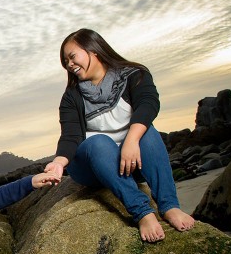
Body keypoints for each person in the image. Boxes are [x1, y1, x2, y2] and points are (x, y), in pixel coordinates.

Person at [44, 28, 195, 242]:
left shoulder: (134, 74)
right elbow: (71, 136)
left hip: (132, 161)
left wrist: (131, 141)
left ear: (93, 50)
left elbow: (148, 105)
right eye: (65, 61)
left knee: (148, 132)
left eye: (72, 56)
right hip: (94, 165)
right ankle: (142, 212)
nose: (69, 64)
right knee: (98, 143)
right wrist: (59, 163)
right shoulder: (72, 97)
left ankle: (169, 206)